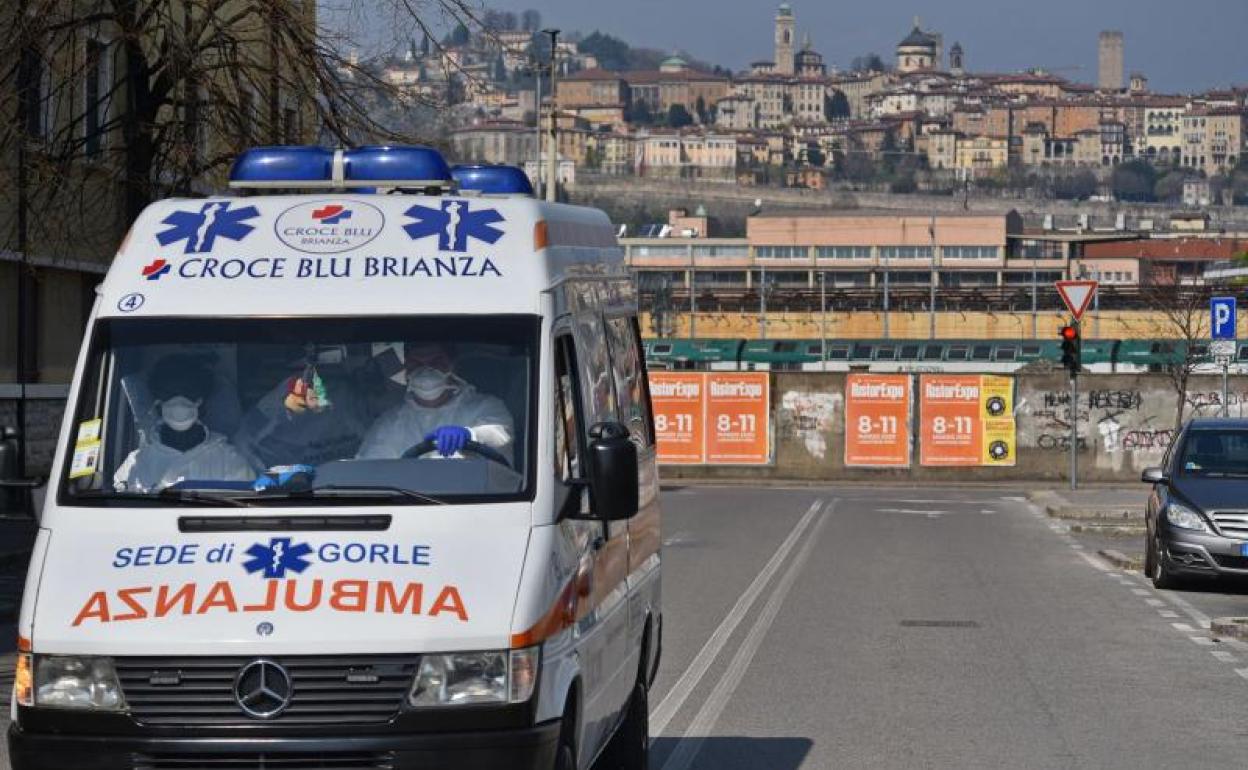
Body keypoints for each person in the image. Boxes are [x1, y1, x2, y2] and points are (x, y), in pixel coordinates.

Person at [114, 355, 255, 492]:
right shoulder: (136, 465)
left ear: (200, 400)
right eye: (169, 393)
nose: (179, 401)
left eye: (188, 392)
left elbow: (244, 508)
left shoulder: (229, 460)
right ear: (158, 401)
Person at [356, 343, 514, 461]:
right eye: (416, 364)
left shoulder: (485, 407)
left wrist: (471, 435)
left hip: (475, 502)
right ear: (407, 368)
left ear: (452, 365)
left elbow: (501, 436)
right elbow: (370, 469)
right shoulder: (390, 423)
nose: (425, 371)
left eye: (436, 362)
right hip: (407, 503)